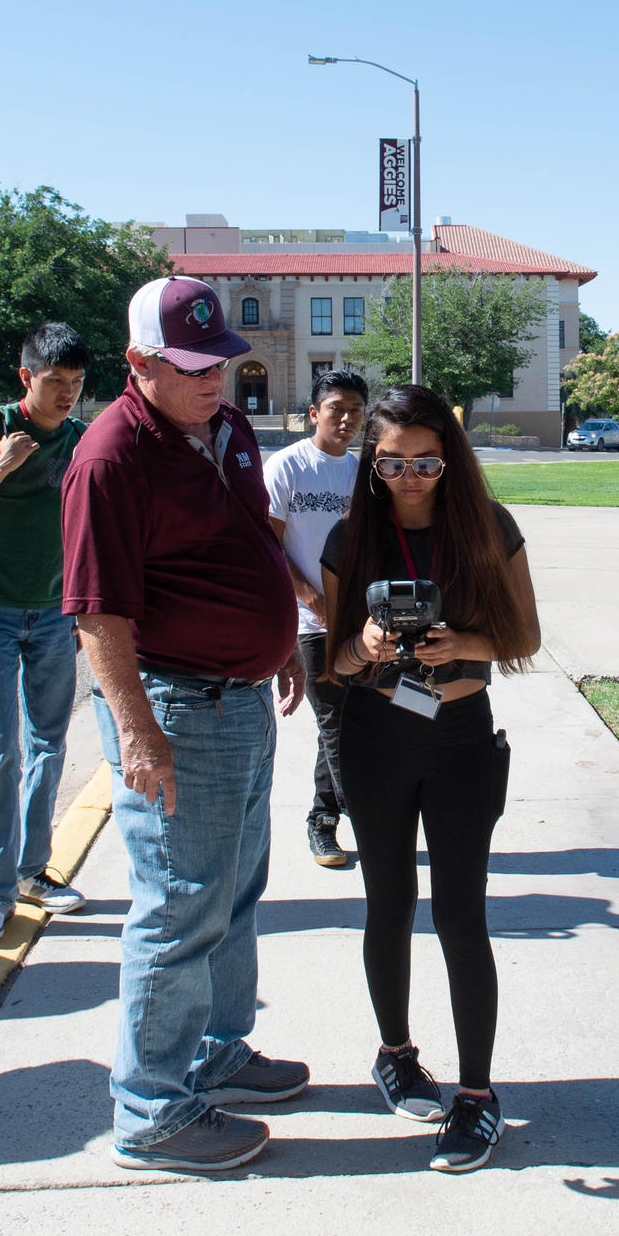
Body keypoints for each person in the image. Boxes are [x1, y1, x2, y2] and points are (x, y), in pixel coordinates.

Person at [62, 276, 308, 1173]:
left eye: (222, 363)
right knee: (177, 907)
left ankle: (218, 1051)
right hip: (176, 707)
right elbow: (97, 613)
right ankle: (152, 1110)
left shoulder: (227, 427)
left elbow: (252, 538)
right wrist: (136, 732)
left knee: (236, 890)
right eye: (195, 367)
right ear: (139, 363)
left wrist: (275, 634)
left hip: (239, 697)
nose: (216, 379)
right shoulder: (110, 456)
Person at [320, 385, 540, 1173]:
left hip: (459, 733)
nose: (409, 477)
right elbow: (334, 660)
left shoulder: (489, 527)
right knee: (388, 900)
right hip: (377, 731)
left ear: (450, 458)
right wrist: (369, 645)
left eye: (425, 461)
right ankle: (396, 1053)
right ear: (371, 464)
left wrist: (463, 641)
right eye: (391, 463)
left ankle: (477, 1096)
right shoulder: (352, 538)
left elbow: (526, 636)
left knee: (460, 914)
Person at [0, 321, 93, 941]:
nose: (67, 395)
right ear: (26, 377)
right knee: (2, 749)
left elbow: (92, 533)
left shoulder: (83, 441)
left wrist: (85, 610)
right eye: (56, 382)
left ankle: (34, 871)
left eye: (77, 383)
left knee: (49, 747)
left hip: (56, 615)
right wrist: (1, 466)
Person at [263, 368, 370, 869]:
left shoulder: (364, 472)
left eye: (355, 410)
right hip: (310, 624)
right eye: (336, 409)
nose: (346, 419)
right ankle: (368, 821)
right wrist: (309, 596)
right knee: (335, 725)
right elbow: (267, 543)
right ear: (314, 413)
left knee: (359, 722)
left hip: (361, 623)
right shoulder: (287, 467)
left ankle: (322, 820)